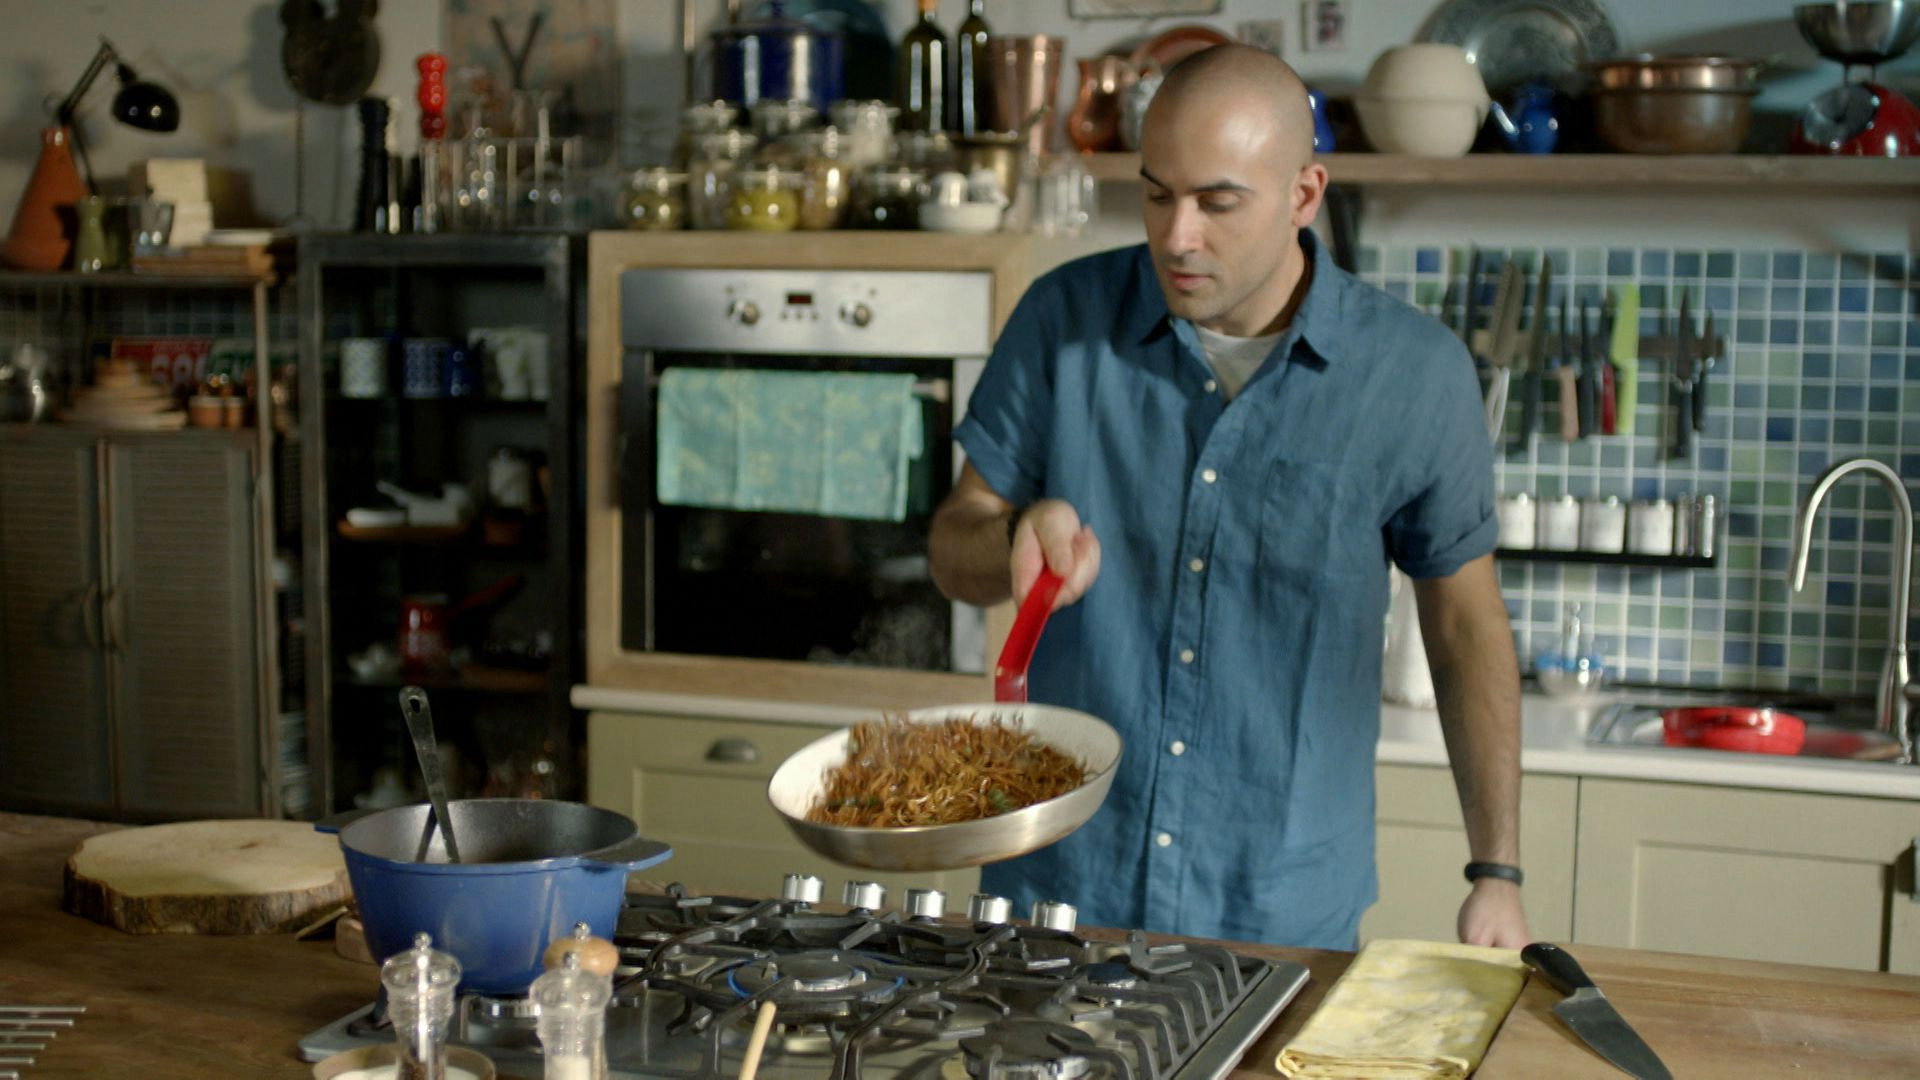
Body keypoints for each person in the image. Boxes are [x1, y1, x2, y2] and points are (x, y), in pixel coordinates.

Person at [927, 44, 1529, 950]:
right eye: (1157, 194)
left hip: (1278, 909)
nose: (1177, 236)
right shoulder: (1062, 319)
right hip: (1059, 889)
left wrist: (1496, 871)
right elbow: (953, 549)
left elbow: (1466, 627)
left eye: (1217, 202)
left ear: (1303, 195)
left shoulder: (1413, 372)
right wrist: (1014, 532)